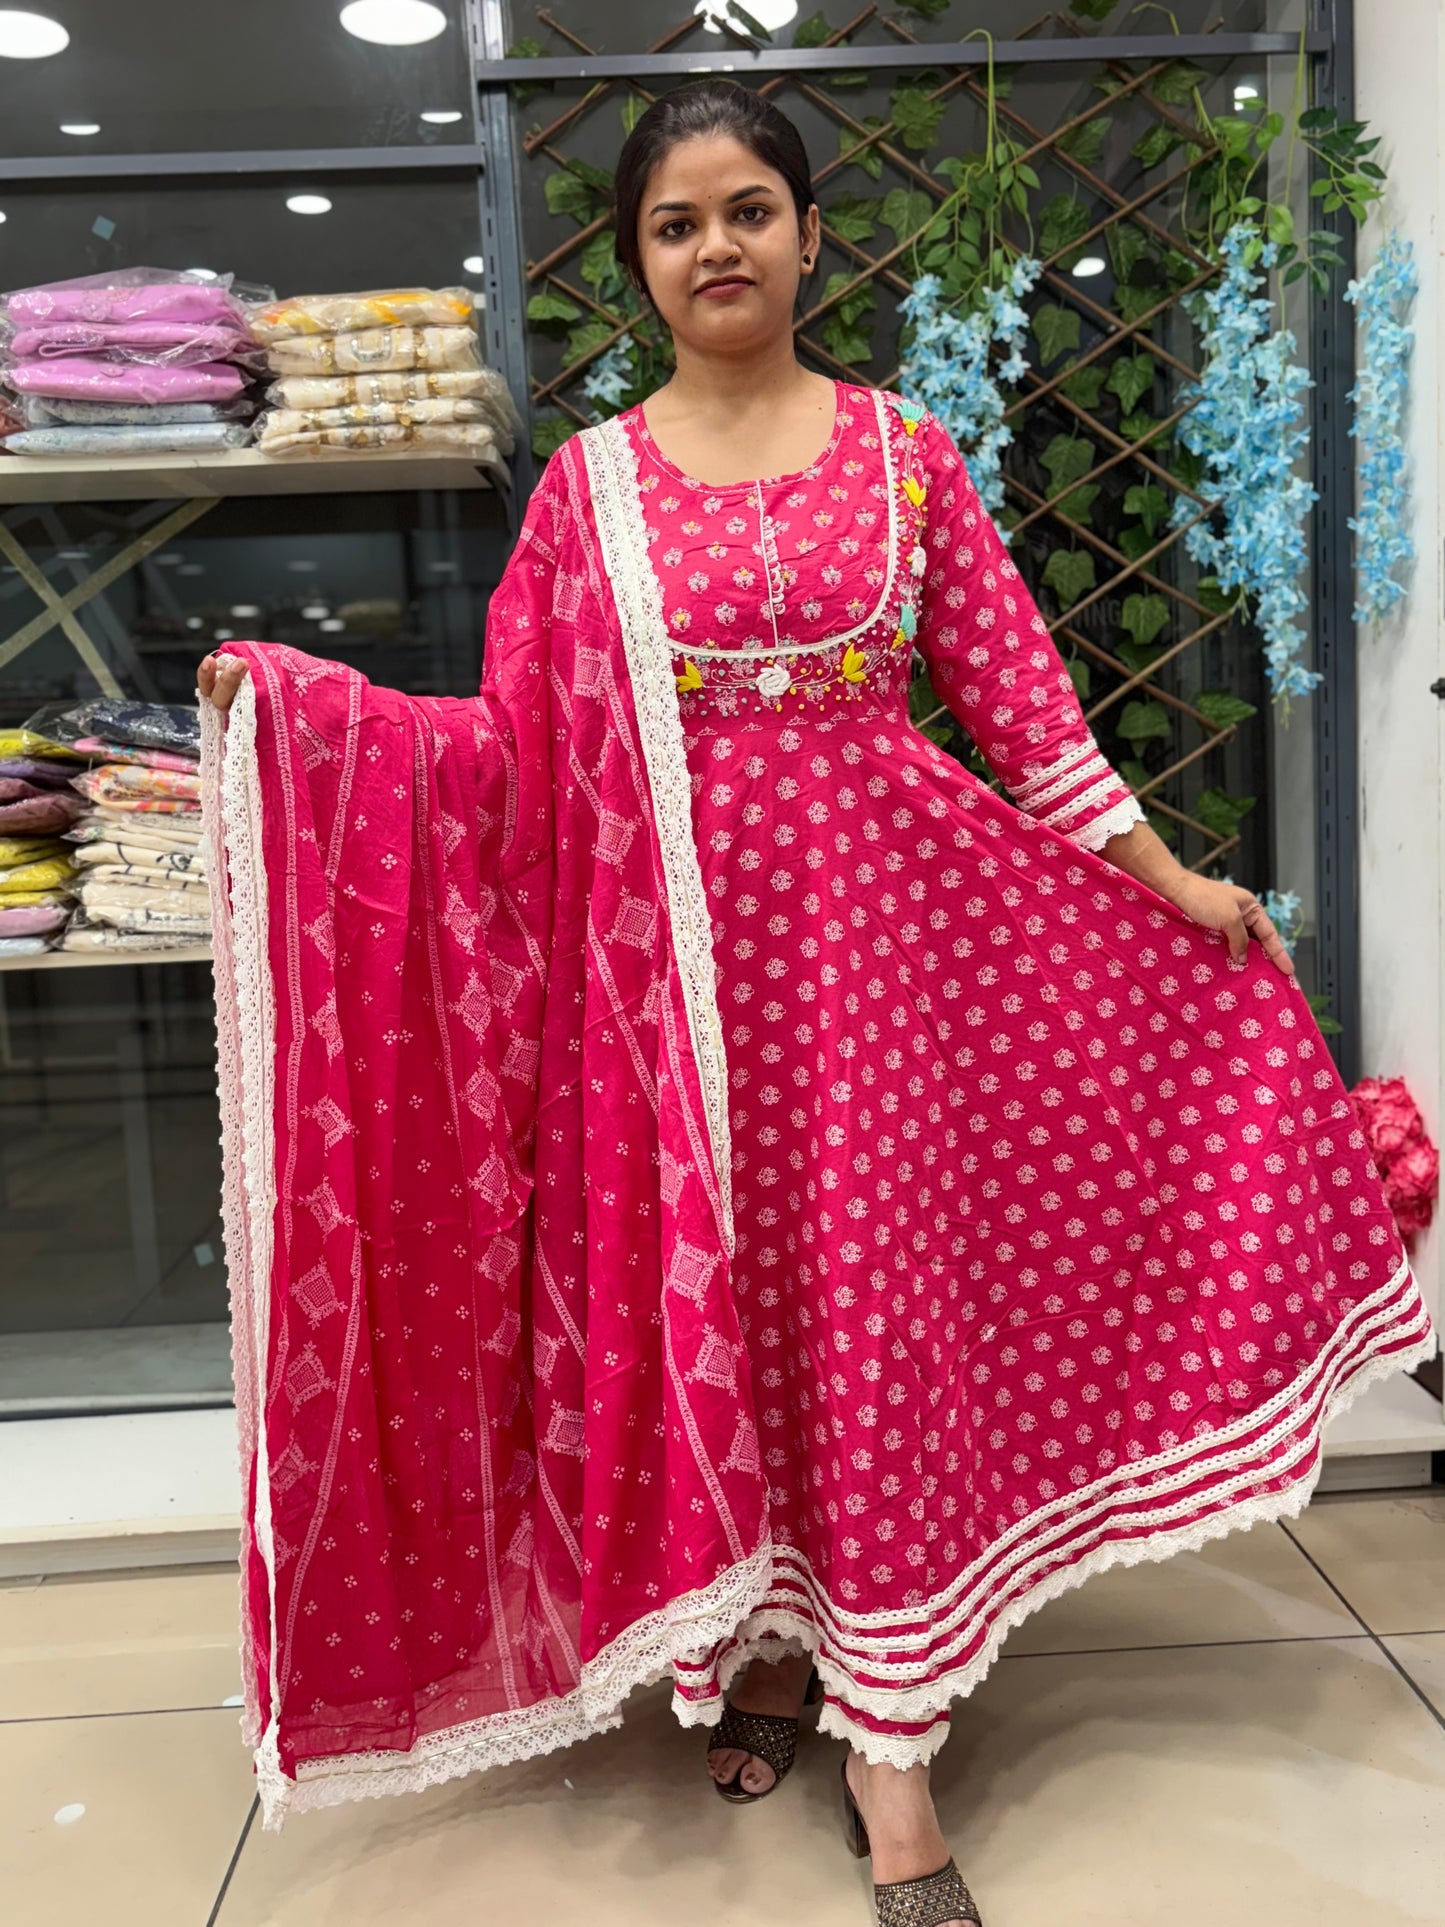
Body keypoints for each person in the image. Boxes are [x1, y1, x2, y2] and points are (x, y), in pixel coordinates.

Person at [199, 81, 1431, 1927]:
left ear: (807, 232)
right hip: (672, 1015)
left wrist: (1172, 883)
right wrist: (316, 723)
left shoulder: (903, 453)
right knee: (750, 1319)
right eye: (678, 221)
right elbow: (516, 758)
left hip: (889, 978)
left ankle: (893, 1746)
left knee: (863, 1308)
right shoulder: (590, 489)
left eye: (749, 208)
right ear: (637, 261)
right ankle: (768, 1644)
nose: (718, 246)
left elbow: (1018, 709)